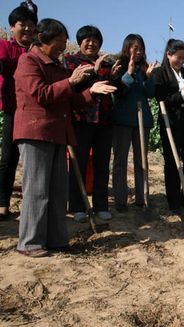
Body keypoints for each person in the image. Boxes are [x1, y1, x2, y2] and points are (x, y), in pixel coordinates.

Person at [13, 18, 116, 257]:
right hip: (36, 131)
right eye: (58, 43)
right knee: (37, 190)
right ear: (42, 40)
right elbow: (41, 94)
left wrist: (91, 91)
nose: (62, 47)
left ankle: (57, 239)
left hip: (59, 133)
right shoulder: (29, 61)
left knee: (58, 190)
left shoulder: (58, 66)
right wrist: (71, 82)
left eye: (63, 43)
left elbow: (71, 100)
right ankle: (30, 242)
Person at [64, 25, 121, 222]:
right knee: (77, 163)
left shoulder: (107, 63)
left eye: (95, 40)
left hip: (104, 121)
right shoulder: (72, 61)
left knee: (102, 164)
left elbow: (115, 88)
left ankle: (101, 205)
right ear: (80, 42)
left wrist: (114, 76)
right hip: (81, 120)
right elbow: (73, 88)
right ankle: (78, 206)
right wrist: (94, 72)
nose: (91, 43)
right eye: (87, 40)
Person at [151, 39, 184, 213]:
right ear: (168, 54)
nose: (180, 61)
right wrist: (182, 94)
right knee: (172, 163)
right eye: (178, 57)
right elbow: (162, 98)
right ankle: (173, 201)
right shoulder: (160, 73)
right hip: (169, 122)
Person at [111, 34, 158, 212]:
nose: (138, 52)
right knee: (120, 161)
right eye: (135, 48)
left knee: (141, 161)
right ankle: (120, 200)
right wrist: (128, 74)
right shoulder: (119, 66)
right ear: (127, 48)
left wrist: (148, 77)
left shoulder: (145, 68)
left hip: (142, 120)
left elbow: (150, 93)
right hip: (122, 119)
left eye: (141, 49)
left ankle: (142, 197)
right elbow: (118, 92)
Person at [0, 6, 37, 221]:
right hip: (13, 110)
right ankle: (3, 202)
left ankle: (30, 204)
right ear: (12, 27)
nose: (27, 29)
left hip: (34, 111)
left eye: (31, 26)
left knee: (32, 159)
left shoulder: (37, 50)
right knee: (8, 158)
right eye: (22, 25)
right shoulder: (5, 47)